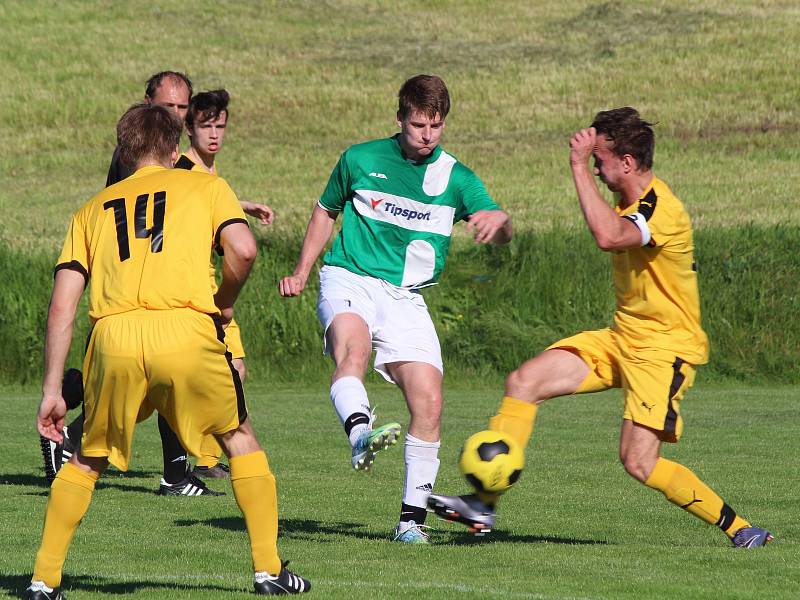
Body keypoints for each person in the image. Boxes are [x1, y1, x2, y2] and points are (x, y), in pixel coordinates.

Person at [427, 107, 773, 549]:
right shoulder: (628, 201)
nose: (594, 164)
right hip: (621, 339)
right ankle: (483, 504)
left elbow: (609, 237)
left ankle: (741, 528)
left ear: (627, 163)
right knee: (524, 381)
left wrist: (576, 167)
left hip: (663, 351)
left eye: (601, 159)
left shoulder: (658, 209)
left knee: (638, 462)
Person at [23, 103, 310, 600]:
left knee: (88, 457)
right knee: (238, 436)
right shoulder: (206, 186)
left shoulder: (91, 210)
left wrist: (53, 389)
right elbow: (243, 250)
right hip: (184, 325)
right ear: (175, 150)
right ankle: (269, 571)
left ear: (125, 151)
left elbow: (61, 307)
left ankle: (42, 581)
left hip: (113, 336)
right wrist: (222, 304)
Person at [279, 74, 512, 544]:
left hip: (406, 298)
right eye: (419, 125)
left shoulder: (456, 177)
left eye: (437, 126)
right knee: (354, 352)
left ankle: (410, 524)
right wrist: (304, 269)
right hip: (350, 277)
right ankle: (360, 433)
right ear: (400, 118)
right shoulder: (360, 159)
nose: (427, 135)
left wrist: (500, 222)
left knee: (429, 400)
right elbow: (326, 210)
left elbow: (499, 224)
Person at [175, 88, 273, 478]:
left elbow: (210, 204)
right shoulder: (181, 170)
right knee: (222, 370)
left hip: (212, 288)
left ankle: (207, 460)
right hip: (191, 290)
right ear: (189, 128)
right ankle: (78, 436)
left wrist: (241, 205)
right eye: (205, 126)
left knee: (234, 368)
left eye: (220, 126)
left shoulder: (211, 175)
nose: (214, 134)